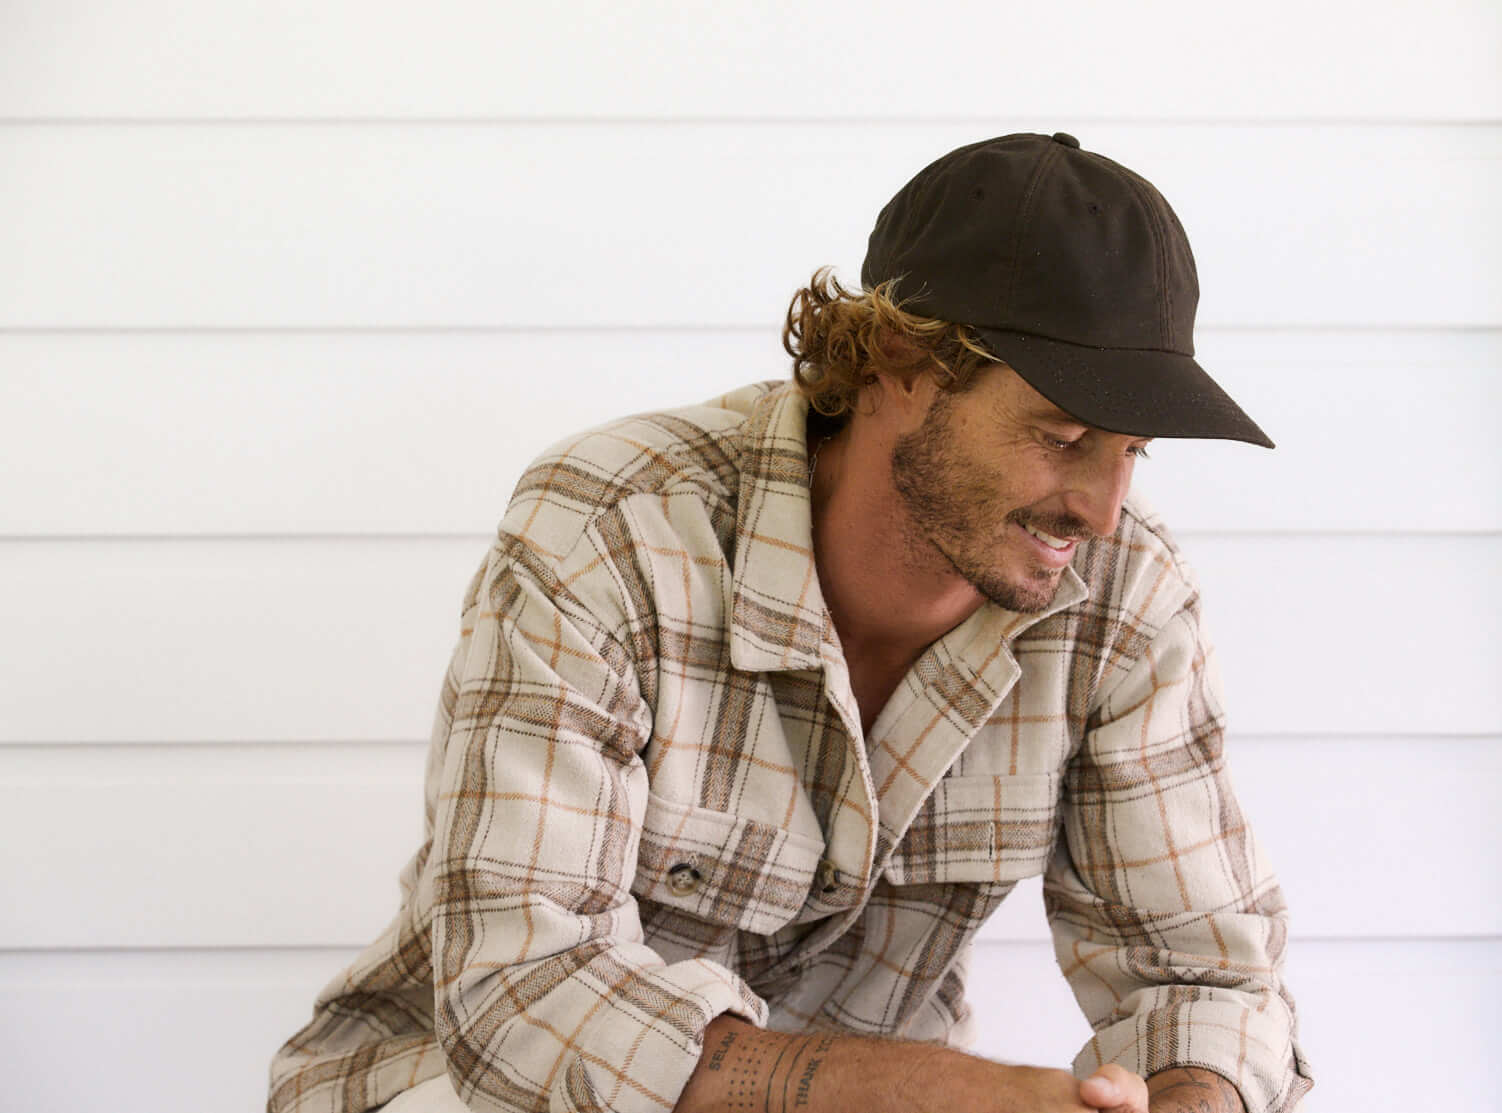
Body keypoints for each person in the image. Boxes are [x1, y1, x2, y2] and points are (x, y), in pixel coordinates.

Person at [269, 132, 1311, 1113]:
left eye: (1132, 451)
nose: (1100, 507)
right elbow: (526, 998)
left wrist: (1185, 1098)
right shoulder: (611, 528)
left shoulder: (1123, 597)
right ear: (900, 365)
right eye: (1063, 434)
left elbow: (1206, 976)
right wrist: (943, 1098)